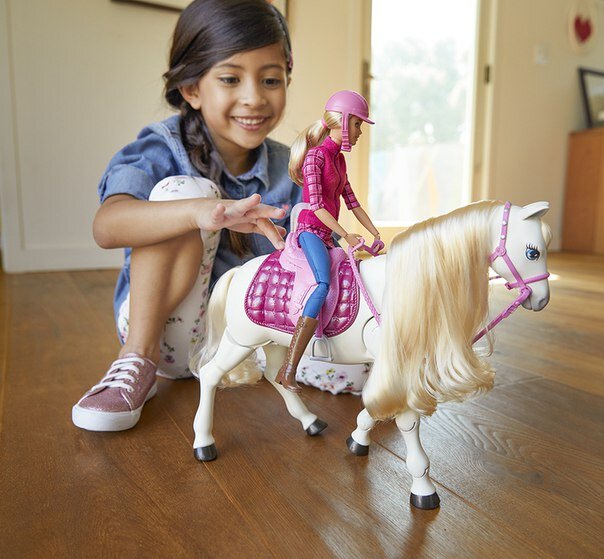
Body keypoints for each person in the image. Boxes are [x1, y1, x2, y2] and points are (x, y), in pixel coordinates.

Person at [72, 0, 300, 432]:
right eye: (230, 79)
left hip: (251, 343)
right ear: (192, 88)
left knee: (362, 358)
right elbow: (106, 226)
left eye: (271, 79)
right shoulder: (160, 148)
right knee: (182, 192)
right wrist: (201, 212)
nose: (254, 97)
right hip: (172, 339)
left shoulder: (291, 168)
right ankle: (136, 358)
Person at [276, 90, 381, 393]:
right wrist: (346, 235)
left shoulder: (340, 161)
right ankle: (290, 367)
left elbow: (353, 203)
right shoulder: (315, 157)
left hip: (327, 236)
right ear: (343, 122)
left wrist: (375, 233)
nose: (360, 132)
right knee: (322, 284)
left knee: (350, 277)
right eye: (358, 124)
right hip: (310, 232)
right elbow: (317, 206)